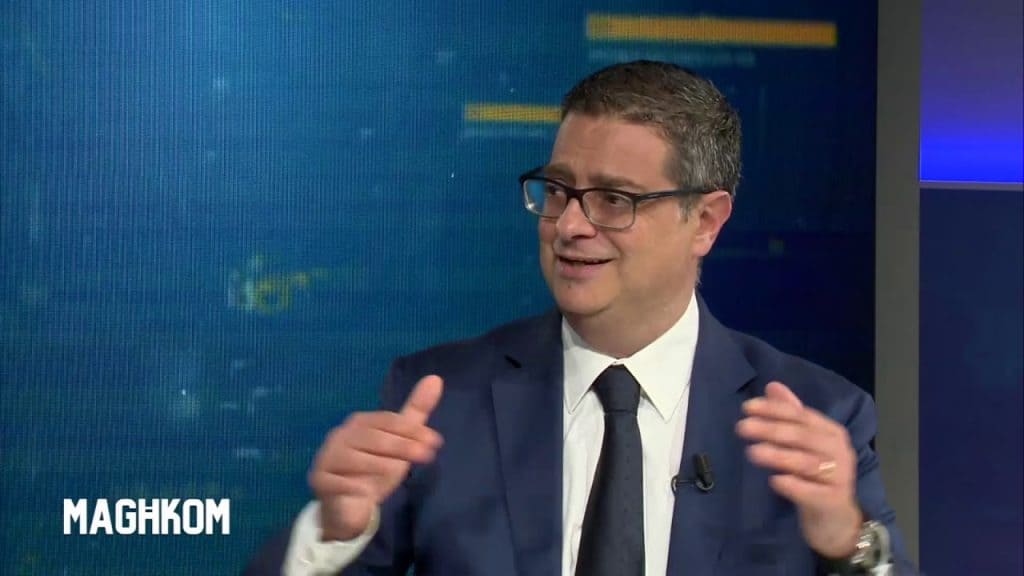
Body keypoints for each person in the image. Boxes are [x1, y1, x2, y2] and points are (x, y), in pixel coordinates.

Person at [246, 60, 916, 575]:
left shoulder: (818, 415)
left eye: (614, 200)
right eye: (559, 190)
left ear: (705, 222)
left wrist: (847, 542)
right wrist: (333, 535)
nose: (569, 225)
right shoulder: (441, 402)